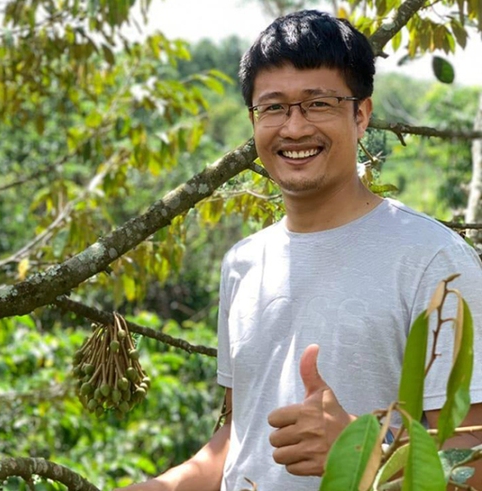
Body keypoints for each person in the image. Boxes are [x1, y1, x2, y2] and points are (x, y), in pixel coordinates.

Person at [117, 10, 482, 491]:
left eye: (318, 104)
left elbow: (469, 462)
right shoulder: (243, 264)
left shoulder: (434, 261)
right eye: (273, 108)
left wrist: (362, 448)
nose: (293, 128)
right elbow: (236, 442)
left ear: (362, 115)